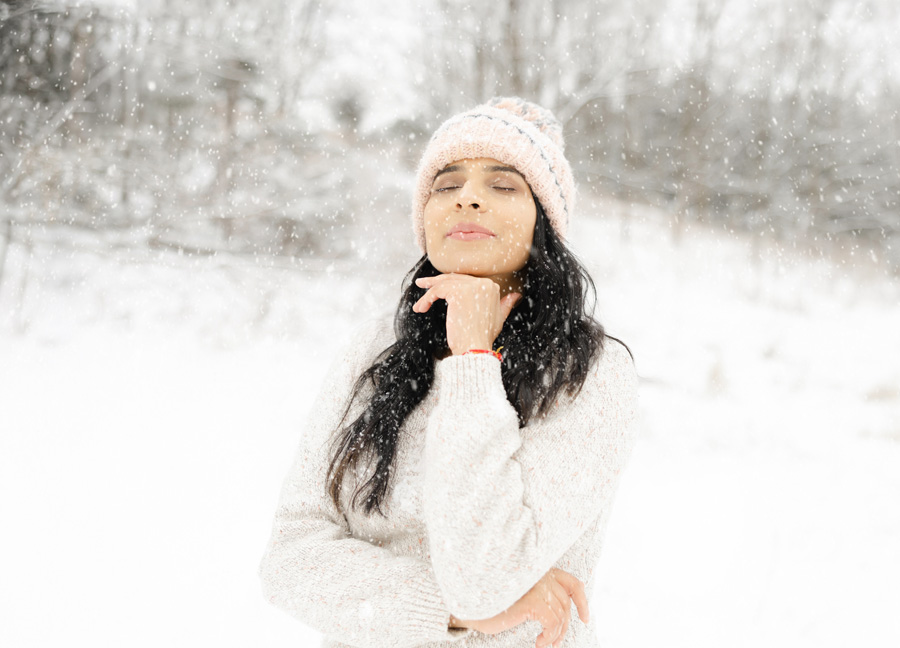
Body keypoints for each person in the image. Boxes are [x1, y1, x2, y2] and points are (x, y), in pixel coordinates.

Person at [258, 97, 639, 648]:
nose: (469, 198)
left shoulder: (590, 373)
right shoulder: (375, 350)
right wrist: (449, 613)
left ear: (545, 224)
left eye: (504, 186)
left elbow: (484, 578)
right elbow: (289, 558)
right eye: (446, 184)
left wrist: (472, 365)